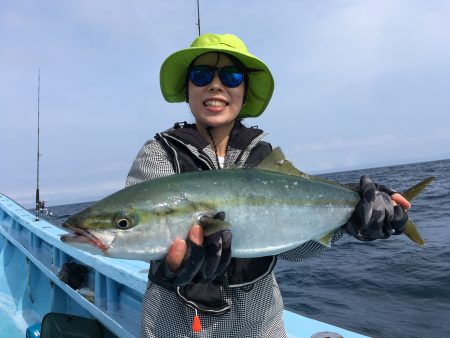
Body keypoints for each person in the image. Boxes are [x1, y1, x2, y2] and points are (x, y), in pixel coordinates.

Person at [126, 33, 411, 338]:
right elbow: (143, 232)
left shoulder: (265, 158)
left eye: (232, 77)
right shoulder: (159, 153)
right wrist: (171, 265)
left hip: (259, 324)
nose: (216, 84)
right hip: (174, 323)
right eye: (201, 74)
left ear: (245, 92)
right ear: (187, 89)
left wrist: (347, 221)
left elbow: (294, 252)